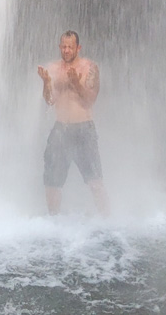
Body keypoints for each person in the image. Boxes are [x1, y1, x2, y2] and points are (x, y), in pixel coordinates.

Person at [37, 30, 110, 216]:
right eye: (63, 46)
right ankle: (54, 222)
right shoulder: (53, 69)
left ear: (78, 48)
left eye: (70, 47)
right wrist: (46, 83)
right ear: (59, 47)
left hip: (84, 130)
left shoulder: (89, 68)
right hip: (61, 129)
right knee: (52, 182)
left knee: (95, 181)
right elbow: (50, 101)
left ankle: (107, 221)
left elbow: (90, 100)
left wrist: (76, 84)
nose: (66, 50)